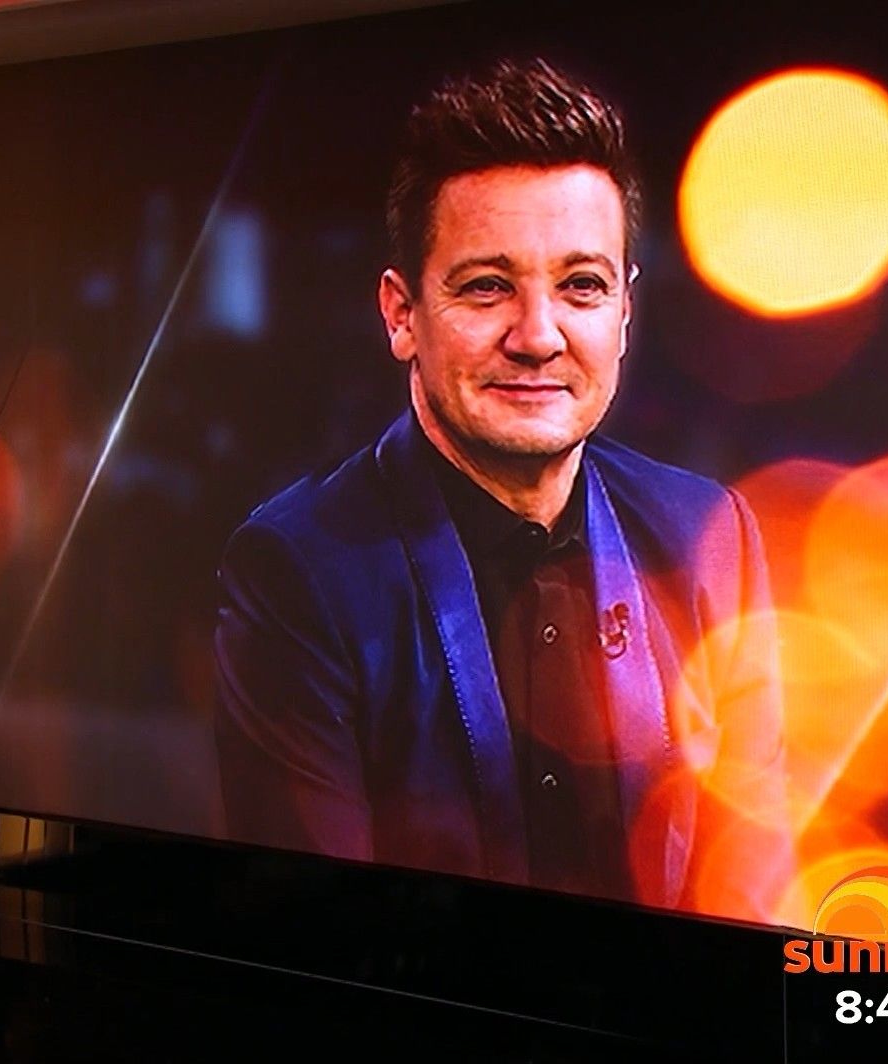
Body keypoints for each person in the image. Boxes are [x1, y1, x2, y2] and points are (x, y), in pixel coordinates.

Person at [212, 59, 792, 922]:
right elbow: (319, 945)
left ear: (624, 312)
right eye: (487, 287)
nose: (538, 335)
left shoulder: (713, 534)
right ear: (402, 314)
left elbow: (753, 907)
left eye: (581, 286)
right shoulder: (297, 571)